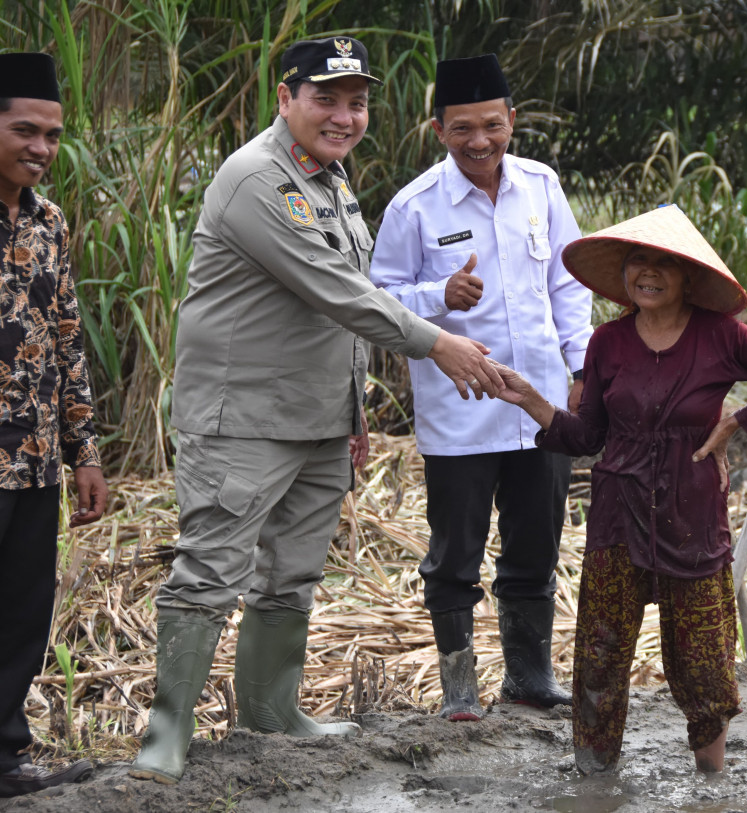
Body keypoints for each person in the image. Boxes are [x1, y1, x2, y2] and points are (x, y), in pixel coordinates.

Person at [129, 38, 505, 785]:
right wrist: (440, 345)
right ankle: (164, 738)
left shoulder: (332, 181)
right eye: (326, 99)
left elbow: (344, 305)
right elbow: (341, 292)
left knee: (291, 576)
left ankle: (270, 713)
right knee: (211, 570)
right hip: (244, 417)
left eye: (357, 102)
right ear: (285, 98)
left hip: (318, 420)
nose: (344, 116)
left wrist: (353, 405)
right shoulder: (254, 180)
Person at [494, 205, 747, 773]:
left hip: (691, 515)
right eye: (637, 263)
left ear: (689, 277)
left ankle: (711, 778)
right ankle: (594, 780)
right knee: (600, 656)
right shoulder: (607, 342)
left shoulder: (721, 335)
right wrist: (533, 402)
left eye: (663, 265)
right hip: (617, 517)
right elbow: (590, 435)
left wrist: (733, 425)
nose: (647, 273)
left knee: (702, 662)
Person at [370, 54, 591, 720]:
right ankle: (459, 690)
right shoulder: (415, 205)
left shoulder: (541, 186)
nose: (479, 142)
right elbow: (377, 300)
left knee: (535, 544)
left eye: (492, 126)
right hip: (461, 412)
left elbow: (568, 281)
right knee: (455, 553)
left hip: (540, 404)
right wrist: (440, 293)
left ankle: (528, 676)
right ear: (438, 129)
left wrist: (582, 366)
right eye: (462, 128)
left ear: (512, 121)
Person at [0, 51, 108, 798]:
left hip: (34, 458)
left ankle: (5, 755)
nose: (40, 148)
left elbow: (68, 337)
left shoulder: (49, 221)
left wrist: (85, 453)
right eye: (23, 131)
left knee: (21, 612)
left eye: (52, 135)